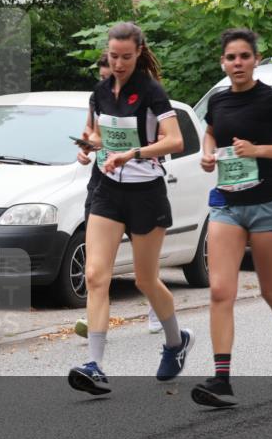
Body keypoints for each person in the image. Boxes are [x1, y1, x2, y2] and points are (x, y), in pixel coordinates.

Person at [191, 29, 272, 408]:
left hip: (269, 207)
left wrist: (259, 149)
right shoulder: (219, 100)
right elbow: (210, 134)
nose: (238, 63)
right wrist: (208, 154)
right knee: (219, 290)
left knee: (270, 289)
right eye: (231, 57)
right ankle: (221, 380)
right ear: (223, 63)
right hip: (227, 205)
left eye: (245, 56)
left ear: (256, 60)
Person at [68, 22, 192, 396]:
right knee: (95, 275)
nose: (118, 63)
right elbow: (96, 135)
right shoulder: (100, 92)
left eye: (125, 57)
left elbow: (175, 140)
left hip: (146, 192)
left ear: (138, 53)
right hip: (108, 189)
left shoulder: (152, 92)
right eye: (113, 56)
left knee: (145, 280)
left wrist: (133, 154)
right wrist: (88, 146)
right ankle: (96, 365)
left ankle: (176, 341)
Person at [74, 53, 162, 337]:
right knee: (96, 262)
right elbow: (90, 136)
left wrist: (135, 153)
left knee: (144, 257)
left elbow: (165, 141)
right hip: (102, 183)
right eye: (101, 77)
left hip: (140, 183)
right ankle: (95, 310)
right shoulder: (97, 98)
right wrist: (84, 151)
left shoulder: (146, 99)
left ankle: (157, 307)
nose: (106, 83)